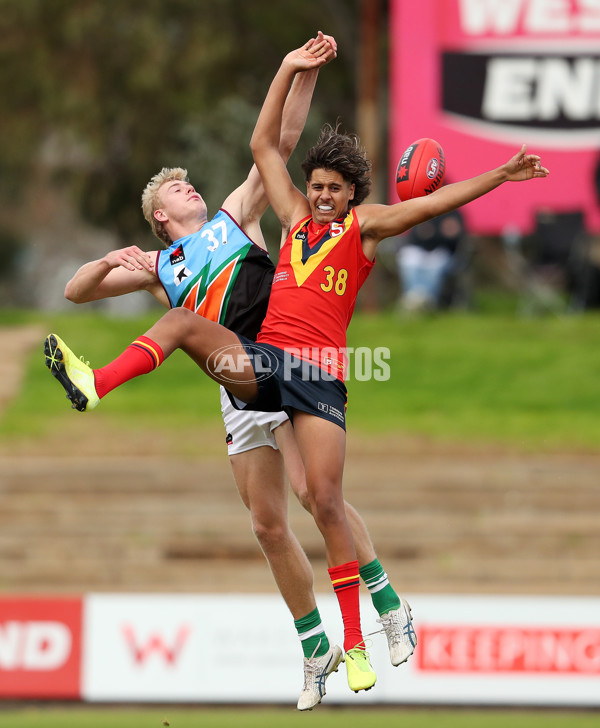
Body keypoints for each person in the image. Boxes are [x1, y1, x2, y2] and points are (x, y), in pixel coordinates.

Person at [43, 32, 548, 693]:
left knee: (318, 495)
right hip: (238, 374)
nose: (191, 188)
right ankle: (316, 646)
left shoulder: (236, 214)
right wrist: (113, 260)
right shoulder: (157, 269)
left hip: (287, 357)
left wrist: (302, 70)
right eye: (178, 189)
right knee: (266, 522)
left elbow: (275, 144)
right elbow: (73, 292)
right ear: (160, 217)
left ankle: (385, 605)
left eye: (190, 184)